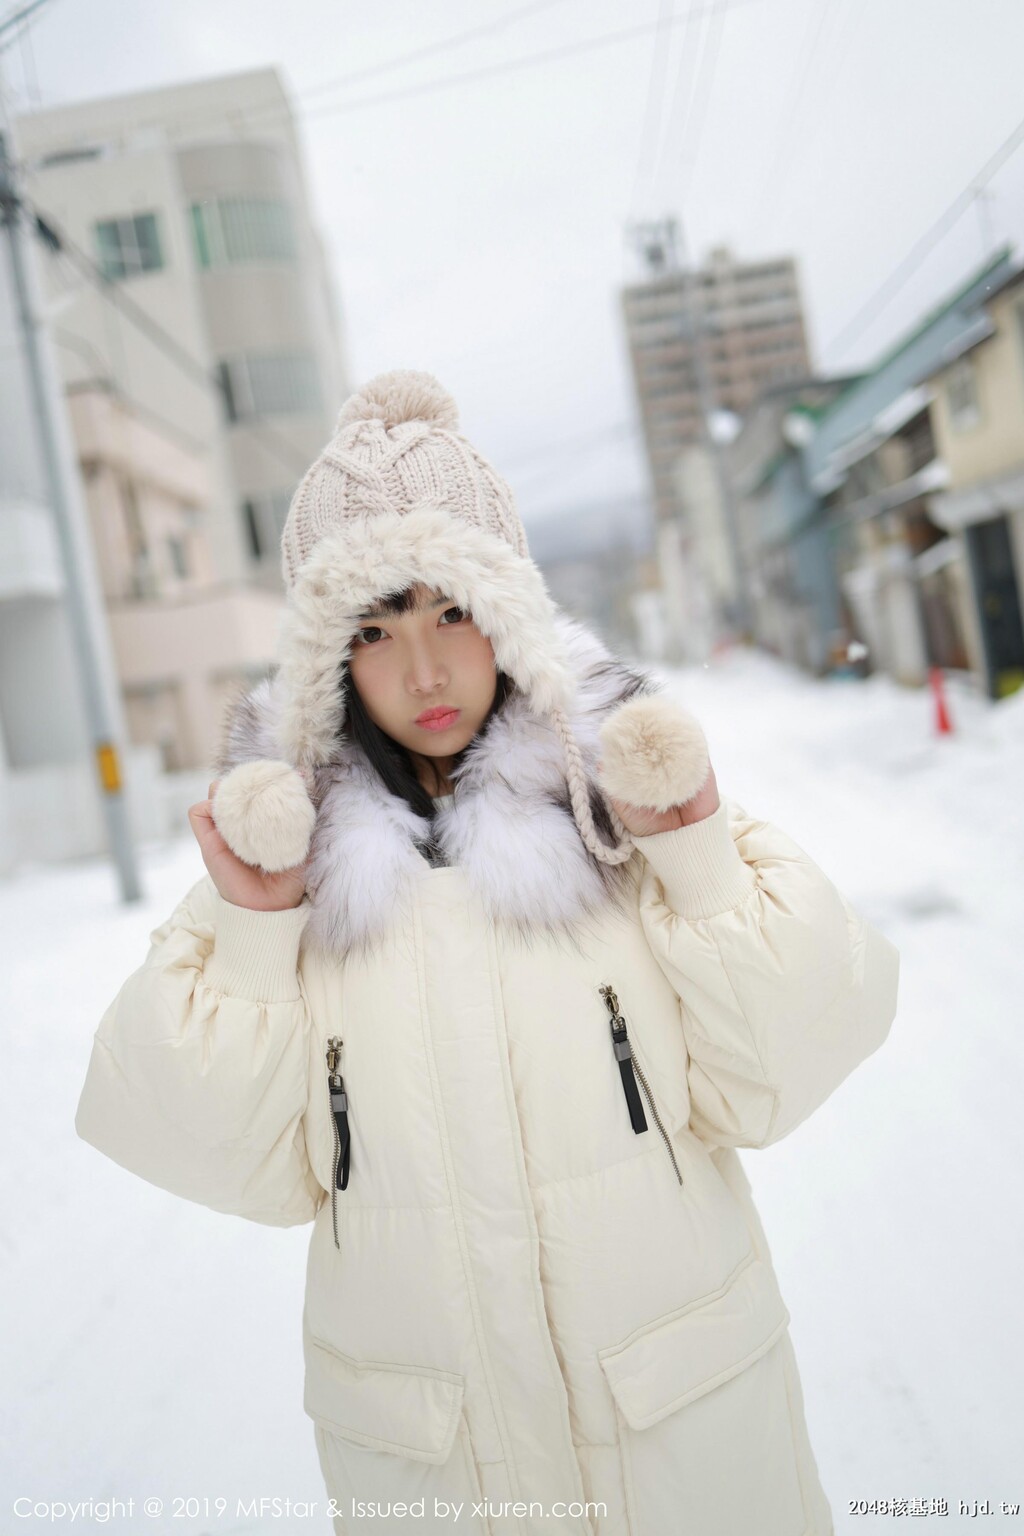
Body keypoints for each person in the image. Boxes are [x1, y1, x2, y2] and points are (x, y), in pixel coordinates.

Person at [76, 370, 900, 1536]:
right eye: (373, 630)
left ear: (510, 615)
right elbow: (216, 1155)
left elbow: (792, 1061)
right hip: (443, 1476)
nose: (422, 672)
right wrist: (256, 936)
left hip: (683, 1442)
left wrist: (703, 865)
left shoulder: (620, 821)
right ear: (328, 664)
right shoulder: (290, 882)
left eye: (451, 612)